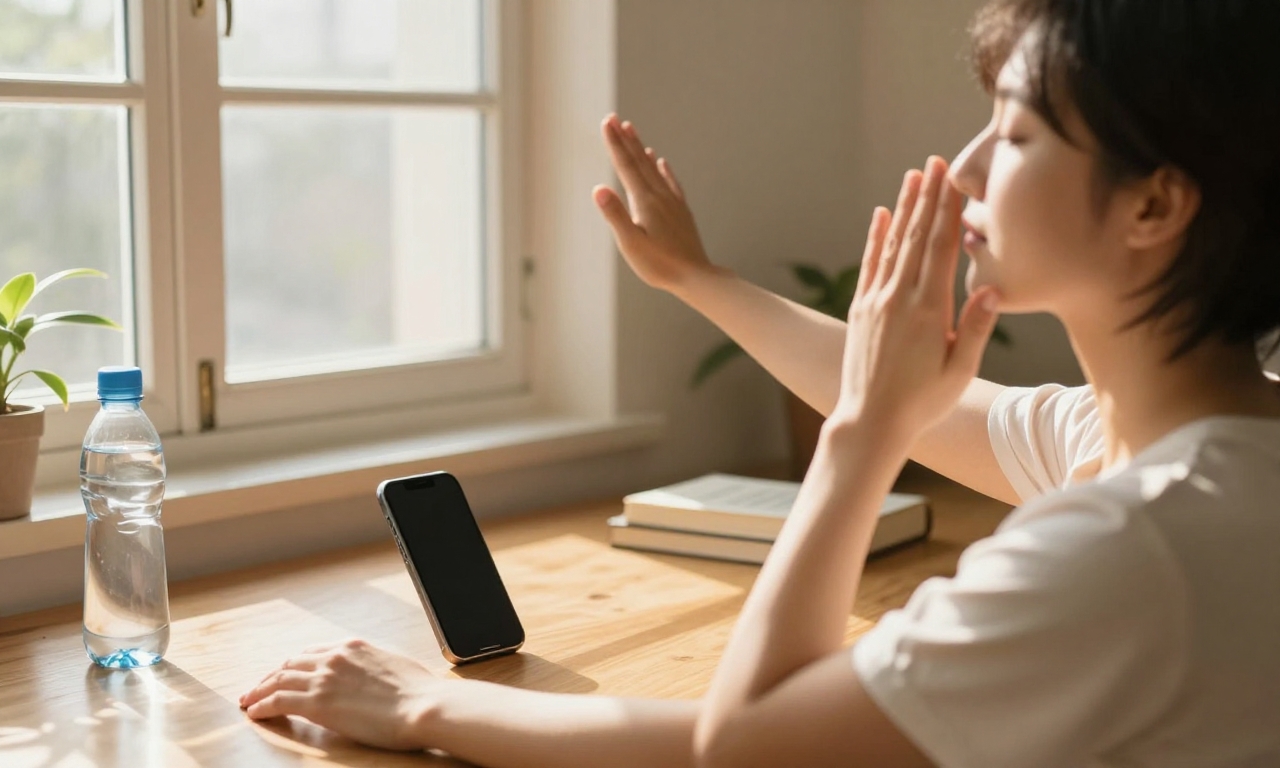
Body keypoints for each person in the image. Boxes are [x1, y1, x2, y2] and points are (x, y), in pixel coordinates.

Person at [240, 0, 1280, 764]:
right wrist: (702, 281)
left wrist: (427, 708)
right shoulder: (1189, 448)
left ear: (1154, 206)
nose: (962, 170)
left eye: (1011, 135)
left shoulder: (1130, 547)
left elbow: (745, 748)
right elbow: (967, 421)